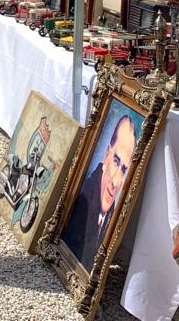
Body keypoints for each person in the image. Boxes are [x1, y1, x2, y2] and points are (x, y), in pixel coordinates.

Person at [61, 114, 137, 270]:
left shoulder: (114, 216)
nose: (116, 181)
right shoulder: (81, 199)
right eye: (116, 162)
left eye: (123, 170)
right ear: (106, 155)